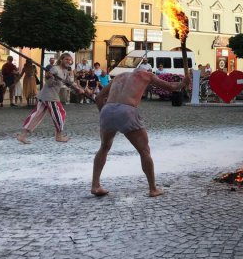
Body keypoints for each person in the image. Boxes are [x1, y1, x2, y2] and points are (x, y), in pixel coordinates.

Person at [91, 68, 191, 197]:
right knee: (144, 150)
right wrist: (184, 83)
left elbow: (99, 97)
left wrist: (104, 115)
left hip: (107, 110)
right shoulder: (146, 75)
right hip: (126, 110)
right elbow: (172, 87)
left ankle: (95, 186)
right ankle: (153, 189)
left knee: (104, 147)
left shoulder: (119, 76)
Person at [17, 53, 90, 144]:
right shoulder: (55, 69)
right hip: (50, 96)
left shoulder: (65, 71)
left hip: (45, 96)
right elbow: (49, 83)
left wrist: (78, 89)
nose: (68, 61)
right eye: (66, 59)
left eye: (69, 60)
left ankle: (22, 136)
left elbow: (69, 82)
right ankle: (59, 136)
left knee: (36, 115)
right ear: (61, 59)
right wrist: (50, 77)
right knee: (60, 113)